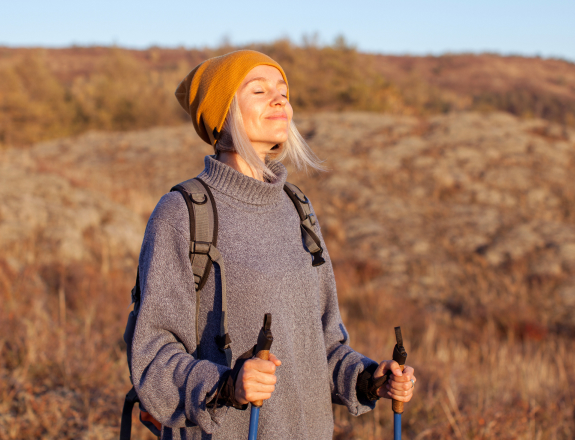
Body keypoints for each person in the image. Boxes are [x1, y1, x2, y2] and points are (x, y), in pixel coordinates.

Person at [130, 50, 416, 440]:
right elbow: (154, 359)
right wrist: (227, 385)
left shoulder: (297, 207)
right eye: (260, 90)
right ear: (222, 113)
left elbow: (322, 346)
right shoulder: (181, 213)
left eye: (283, 91)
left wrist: (368, 378)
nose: (280, 100)